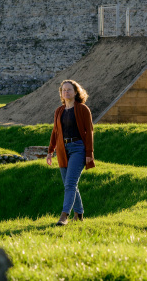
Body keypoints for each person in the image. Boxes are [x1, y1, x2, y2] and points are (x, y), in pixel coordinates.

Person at [46, 79, 95, 226]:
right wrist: (50, 151)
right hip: (62, 150)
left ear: (75, 92)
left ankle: (64, 215)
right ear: (61, 93)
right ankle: (79, 213)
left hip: (78, 148)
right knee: (70, 184)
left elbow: (89, 132)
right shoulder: (59, 111)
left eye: (69, 90)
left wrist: (89, 153)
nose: (66, 92)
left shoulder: (82, 109)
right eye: (63, 90)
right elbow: (55, 132)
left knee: (70, 184)